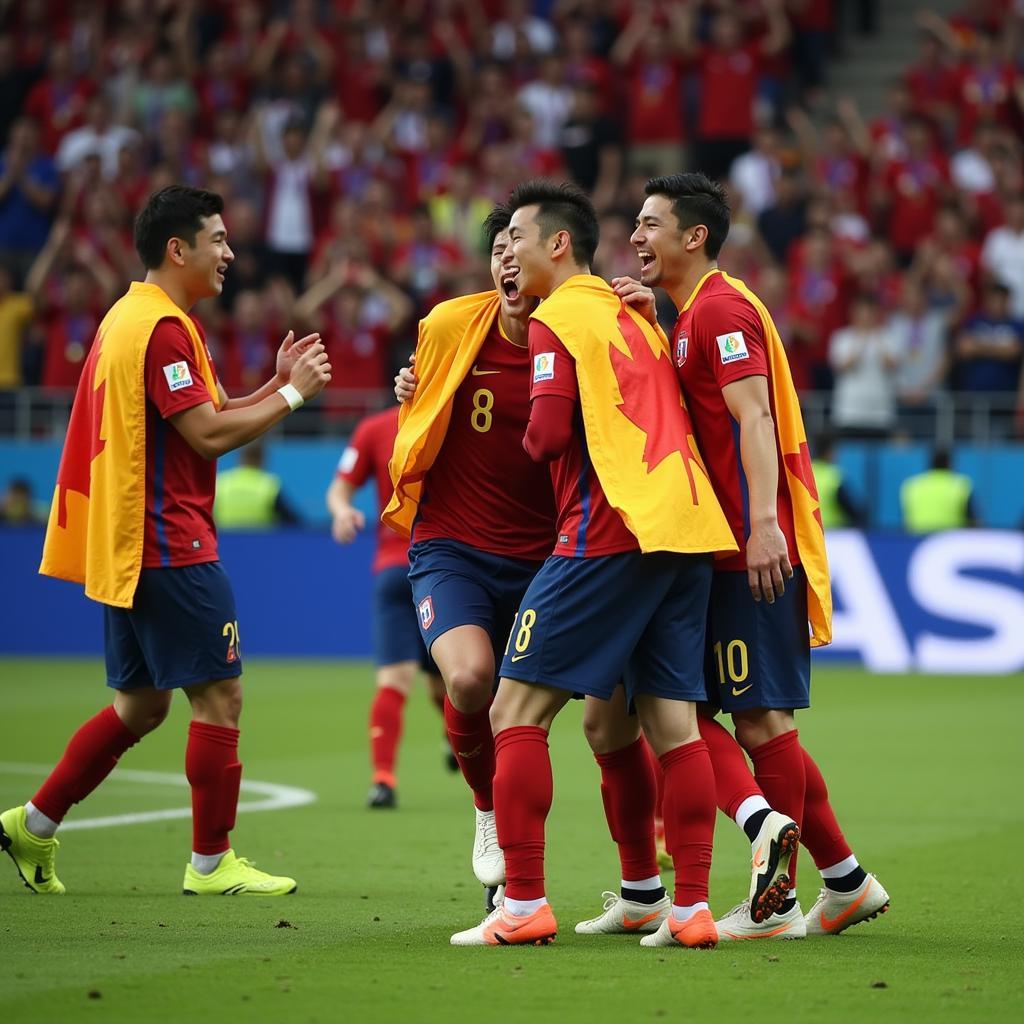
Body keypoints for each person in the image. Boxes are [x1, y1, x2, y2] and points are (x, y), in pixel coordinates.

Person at [0, 185, 331, 897]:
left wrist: (270, 384)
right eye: (217, 239)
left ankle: (34, 823)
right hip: (168, 542)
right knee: (222, 697)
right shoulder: (163, 330)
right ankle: (211, 864)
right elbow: (209, 436)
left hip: (128, 540)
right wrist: (295, 396)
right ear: (178, 249)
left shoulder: (132, 317)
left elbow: (200, 417)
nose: (229, 253)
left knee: (140, 706)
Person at [449, 180, 738, 950]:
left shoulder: (557, 317)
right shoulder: (633, 312)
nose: (505, 248)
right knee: (660, 724)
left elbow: (544, 435)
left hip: (609, 531)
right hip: (686, 529)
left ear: (559, 245)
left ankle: (522, 901)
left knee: (513, 713)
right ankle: (682, 907)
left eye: (517, 234)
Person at [610, 172, 889, 939]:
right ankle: (845, 881)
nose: (636, 237)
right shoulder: (694, 314)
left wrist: (763, 524)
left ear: (692, 236)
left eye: (648, 224)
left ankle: (779, 903)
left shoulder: (724, 307)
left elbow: (754, 414)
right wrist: (658, 329)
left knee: (736, 720)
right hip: (725, 544)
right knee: (716, 714)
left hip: (745, 549)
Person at [383, 205, 556, 900]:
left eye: (519, 245)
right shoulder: (454, 328)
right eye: (497, 250)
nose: (506, 260)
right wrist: (410, 393)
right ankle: (486, 812)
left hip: (553, 559)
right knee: (467, 682)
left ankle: (645, 880)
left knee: (611, 717)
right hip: (452, 546)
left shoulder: (582, 334)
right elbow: (421, 413)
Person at [326, 405, 447, 809]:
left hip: (396, 567)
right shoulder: (452, 415)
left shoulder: (373, 428)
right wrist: (342, 509)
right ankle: (457, 742)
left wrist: (342, 511)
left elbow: (340, 485)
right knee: (454, 678)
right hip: (445, 570)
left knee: (401, 682)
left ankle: (383, 779)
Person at [214, 443, 300, 528]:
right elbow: (293, 521)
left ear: (240, 458)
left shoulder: (222, 482)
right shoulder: (270, 485)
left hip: (225, 540)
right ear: (262, 459)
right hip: (260, 540)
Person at [900, 449, 976, 533]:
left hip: (916, 541)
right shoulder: (961, 485)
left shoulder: (912, 485)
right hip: (949, 540)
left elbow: (905, 520)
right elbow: (972, 521)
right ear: (950, 464)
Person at [811, 435, 865, 529]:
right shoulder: (835, 476)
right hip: (834, 532)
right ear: (829, 452)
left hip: (811, 531)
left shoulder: (807, 473)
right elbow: (850, 508)